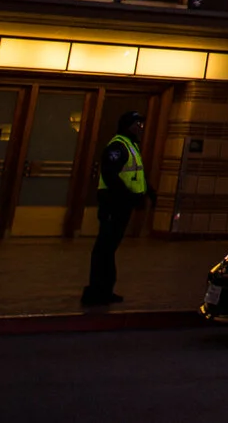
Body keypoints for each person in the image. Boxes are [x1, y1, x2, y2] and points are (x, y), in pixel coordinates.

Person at [81, 109, 148, 308]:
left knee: (109, 249)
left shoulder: (131, 146)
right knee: (104, 249)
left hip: (121, 206)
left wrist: (146, 193)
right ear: (129, 126)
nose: (141, 129)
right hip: (113, 205)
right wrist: (129, 197)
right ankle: (96, 291)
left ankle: (105, 290)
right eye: (138, 125)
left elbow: (136, 175)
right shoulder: (118, 146)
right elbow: (111, 176)